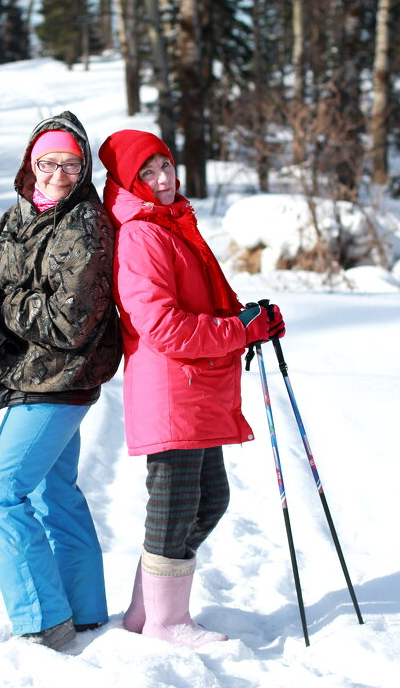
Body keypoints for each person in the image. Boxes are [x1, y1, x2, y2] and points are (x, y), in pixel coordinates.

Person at [98, 129, 285, 649]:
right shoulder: (141, 235)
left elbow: (201, 302)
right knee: (178, 503)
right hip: (171, 386)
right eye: (147, 173)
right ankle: (166, 621)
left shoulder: (172, 224)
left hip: (193, 384)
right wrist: (240, 332)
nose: (161, 180)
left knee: (207, 500)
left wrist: (250, 318)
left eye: (166, 167)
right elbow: (164, 327)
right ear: (127, 181)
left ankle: (146, 610)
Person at [0, 111, 121, 651]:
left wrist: (4, 306)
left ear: (83, 168)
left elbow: (71, 323)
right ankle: (85, 614)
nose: (58, 174)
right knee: (56, 493)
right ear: (31, 163)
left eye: (70, 164)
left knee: (0, 494)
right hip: (24, 374)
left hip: (60, 379)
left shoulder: (87, 226)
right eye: (48, 162)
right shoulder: (17, 216)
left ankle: (41, 620)